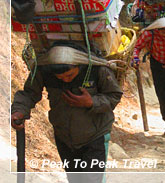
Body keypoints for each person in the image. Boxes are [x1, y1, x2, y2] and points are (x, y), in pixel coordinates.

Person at [11, 41, 123, 183]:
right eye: (60, 78)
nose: (65, 79)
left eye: (69, 75)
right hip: (64, 137)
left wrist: (91, 102)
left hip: (95, 136)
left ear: (79, 65)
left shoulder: (97, 69)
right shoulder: (44, 70)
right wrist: (19, 110)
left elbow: (114, 95)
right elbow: (29, 93)